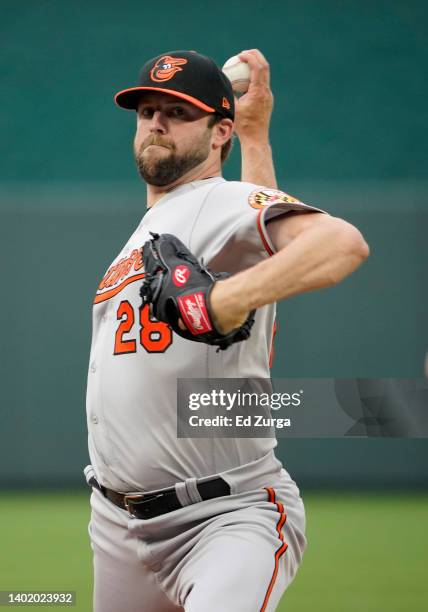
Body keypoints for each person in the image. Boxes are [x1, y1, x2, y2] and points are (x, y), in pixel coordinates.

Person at [84, 49, 369, 612]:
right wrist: (257, 141)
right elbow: (256, 235)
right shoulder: (164, 224)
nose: (156, 122)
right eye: (146, 111)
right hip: (117, 526)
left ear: (220, 132)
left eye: (177, 111)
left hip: (225, 518)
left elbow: (342, 244)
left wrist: (223, 300)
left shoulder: (212, 199)